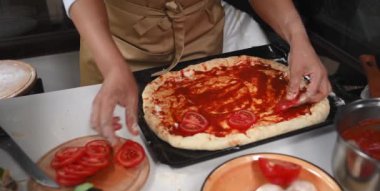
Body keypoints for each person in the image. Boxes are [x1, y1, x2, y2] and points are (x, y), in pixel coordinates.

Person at [63, 0, 331, 144]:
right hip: (113, 43)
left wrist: (297, 37)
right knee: (118, 146)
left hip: (200, 36)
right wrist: (112, 65)